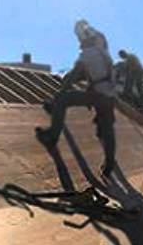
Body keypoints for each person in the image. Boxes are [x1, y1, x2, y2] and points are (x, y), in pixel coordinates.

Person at [36, 20, 119, 178]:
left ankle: (52, 136)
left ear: (84, 40)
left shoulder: (87, 54)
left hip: (99, 95)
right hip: (109, 96)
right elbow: (98, 75)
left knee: (63, 100)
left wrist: (60, 94)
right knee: (107, 129)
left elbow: (73, 76)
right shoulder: (104, 53)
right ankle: (109, 164)